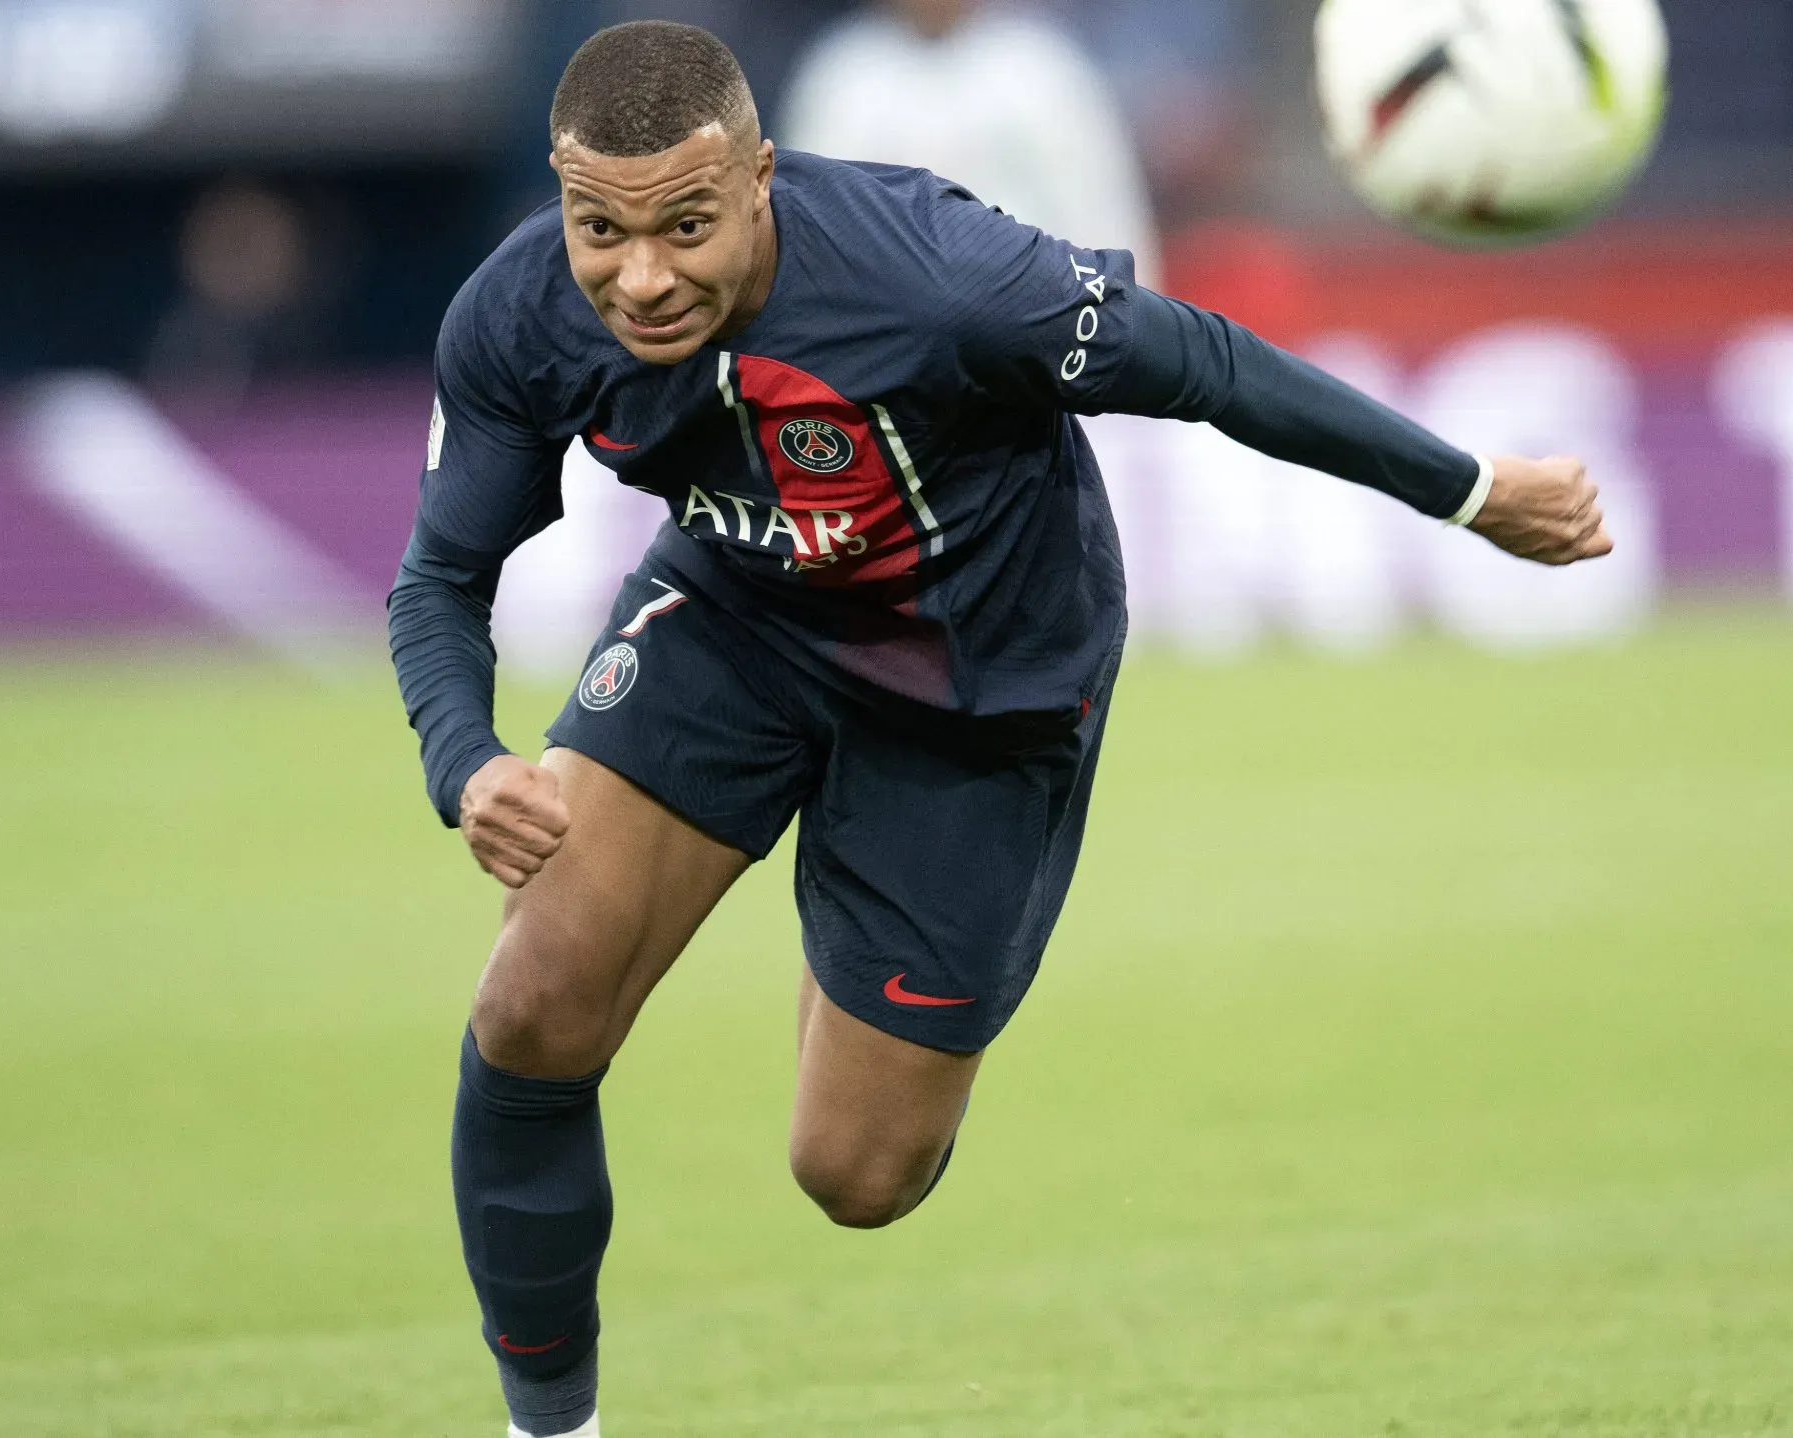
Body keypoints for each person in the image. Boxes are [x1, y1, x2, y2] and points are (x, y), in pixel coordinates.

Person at [388, 22, 1611, 1438]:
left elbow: (1210, 364)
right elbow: (441, 575)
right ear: (561, 192)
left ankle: (863, 905)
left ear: (760, 178)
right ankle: (552, 1429)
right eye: (601, 227)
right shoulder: (520, 311)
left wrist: (1471, 491)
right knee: (532, 1001)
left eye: (685, 224)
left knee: (857, 1172)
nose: (641, 274)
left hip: (984, 682)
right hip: (737, 620)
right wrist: (465, 762)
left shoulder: (946, 281)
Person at [778, 0, 1162, 283]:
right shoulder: (840, 79)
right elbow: (813, 246)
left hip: (1040, 342)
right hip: (892, 352)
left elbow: (1105, 222)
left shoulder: (1043, 70)